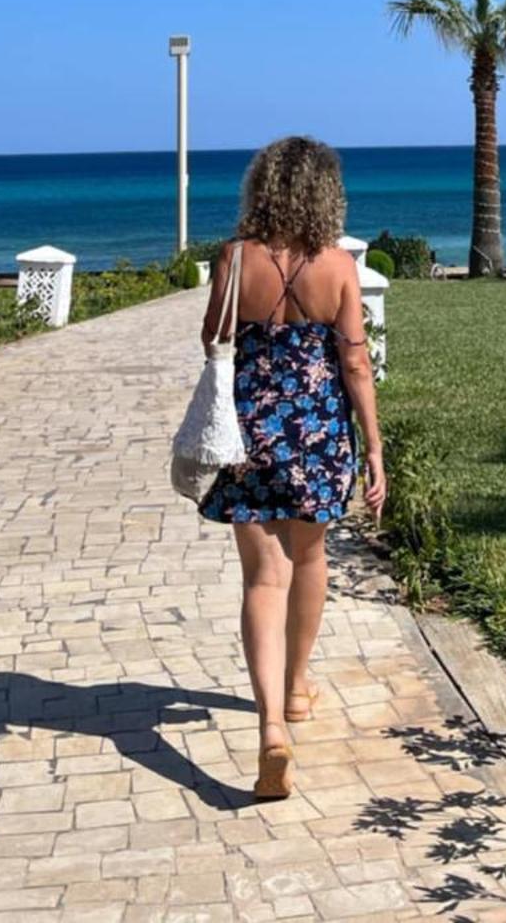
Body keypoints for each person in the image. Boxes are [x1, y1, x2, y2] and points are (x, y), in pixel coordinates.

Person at [198, 135, 385, 799]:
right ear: (324, 193)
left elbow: (212, 340)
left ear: (262, 187)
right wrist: (374, 447)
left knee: (261, 580)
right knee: (309, 562)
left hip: (248, 433)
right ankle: (298, 688)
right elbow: (356, 363)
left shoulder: (234, 258)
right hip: (317, 434)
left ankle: (271, 726)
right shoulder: (336, 266)